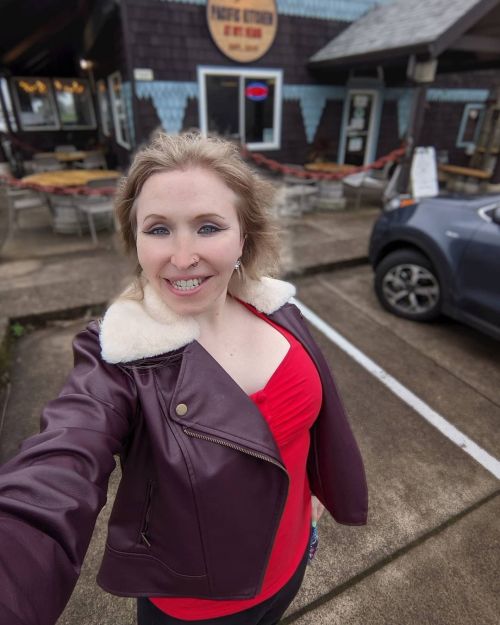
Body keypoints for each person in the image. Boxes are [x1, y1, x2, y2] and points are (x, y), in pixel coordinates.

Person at [0, 132, 368, 625]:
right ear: (135, 241)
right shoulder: (117, 359)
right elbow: (54, 473)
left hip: (293, 562)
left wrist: (312, 496)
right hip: (199, 611)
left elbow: (297, 433)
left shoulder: (278, 310)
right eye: (158, 230)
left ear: (244, 235)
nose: (181, 255)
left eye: (208, 226)